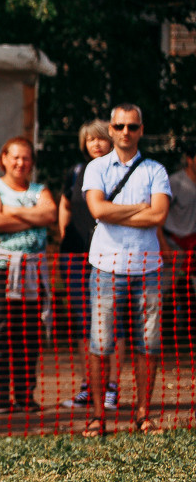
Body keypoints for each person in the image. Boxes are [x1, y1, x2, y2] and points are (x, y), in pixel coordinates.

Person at [80, 104, 170, 437]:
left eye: (132, 126)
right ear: (111, 129)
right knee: (100, 344)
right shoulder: (96, 167)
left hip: (147, 268)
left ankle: (143, 414)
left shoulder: (155, 170)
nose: (125, 132)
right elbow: (97, 209)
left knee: (149, 344)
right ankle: (97, 416)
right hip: (106, 266)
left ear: (141, 130)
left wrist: (114, 211)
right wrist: (139, 208)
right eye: (119, 126)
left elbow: (158, 215)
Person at [0, 137, 56, 414]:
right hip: (1, 269)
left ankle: (24, 395)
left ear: (32, 162)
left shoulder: (40, 189)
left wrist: (12, 211)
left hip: (32, 270)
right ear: (4, 159)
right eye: (15, 157)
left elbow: (50, 215)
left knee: (29, 333)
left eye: (26, 158)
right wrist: (34, 215)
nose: (20, 163)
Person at [59, 121, 120, 409]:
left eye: (101, 138)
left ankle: (111, 387)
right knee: (84, 322)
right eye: (90, 139)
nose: (95, 144)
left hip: (110, 256)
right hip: (75, 256)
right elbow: (65, 204)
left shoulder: (120, 171)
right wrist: (65, 234)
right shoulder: (75, 172)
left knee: (112, 322)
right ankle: (89, 385)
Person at [161, 143, 196, 344]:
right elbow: (159, 215)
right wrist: (163, 243)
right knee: (162, 290)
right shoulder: (175, 182)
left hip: (193, 245)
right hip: (173, 244)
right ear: (189, 159)